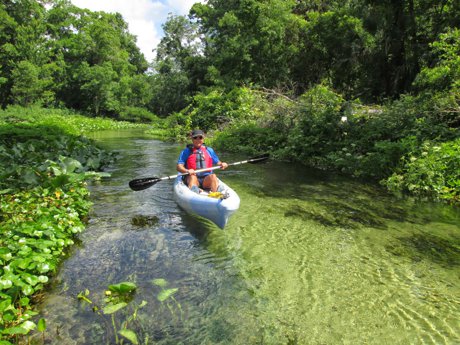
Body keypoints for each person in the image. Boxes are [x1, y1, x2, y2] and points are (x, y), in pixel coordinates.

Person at [177, 129, 228, 193]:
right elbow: (179, 167)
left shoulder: (209, 150)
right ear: (192, 139)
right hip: (193, 177)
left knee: (213, 176)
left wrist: (222, 164)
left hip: (206, 179)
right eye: (195, 138)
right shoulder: (186, 151)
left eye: (200, 137)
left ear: (203, 139)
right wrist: (187, 171)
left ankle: (216, 194)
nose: (198, 140)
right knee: (192, 177)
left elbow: (218, 162)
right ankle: (195, 191)